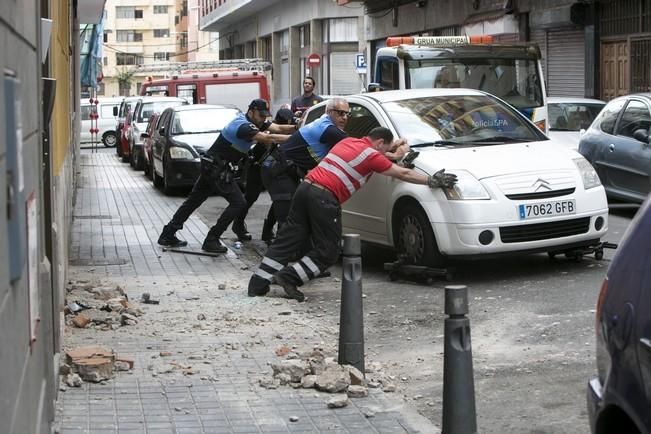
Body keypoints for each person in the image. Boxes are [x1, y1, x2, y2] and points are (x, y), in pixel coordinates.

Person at [247, 127, 458, 300]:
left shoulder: (348, 142)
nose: (383, 154)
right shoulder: (371, 155)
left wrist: (394, 148)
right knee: (328, 251)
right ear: (379, 144)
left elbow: (381, 154)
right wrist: (431, 180)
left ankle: (258, 283)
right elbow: (402, 172)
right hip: (324, 198)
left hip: (306, 188)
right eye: (384, 149)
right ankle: (290, 277)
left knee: (287, 239)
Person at [157, 99, 294, 253]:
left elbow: (278, 128)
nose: (263, 119)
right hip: (217, 168)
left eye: (265, 116)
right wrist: (297, 138)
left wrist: (298, 127)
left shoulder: (254, 122)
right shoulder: (243, 126)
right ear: (251, 112)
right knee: (238, 203)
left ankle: (168, 234)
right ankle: (212, 238)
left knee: (193, 201)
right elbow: (269, 138)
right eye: (261, 115)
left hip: (212, 166)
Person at [261, 97, 349, 227]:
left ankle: (268, 235)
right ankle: (282, 245)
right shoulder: (328, 129)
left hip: (284, 168)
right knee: (289, 216)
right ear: (330, 112)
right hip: (278, 170)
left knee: (284, 203)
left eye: (348, 114)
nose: (345, 117)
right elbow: (356, 146)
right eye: (341, 113)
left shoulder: (324, 123)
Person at [237, 107, 299, 245]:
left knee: (280, 200)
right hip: (258, 167)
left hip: (273, 169)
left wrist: (297, 127)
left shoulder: (268, 124)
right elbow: (273, 136)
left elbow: (283, 129)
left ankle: (267, 230)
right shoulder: (264, 129)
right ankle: (239, 224)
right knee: (251, 198)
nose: (264, 119)